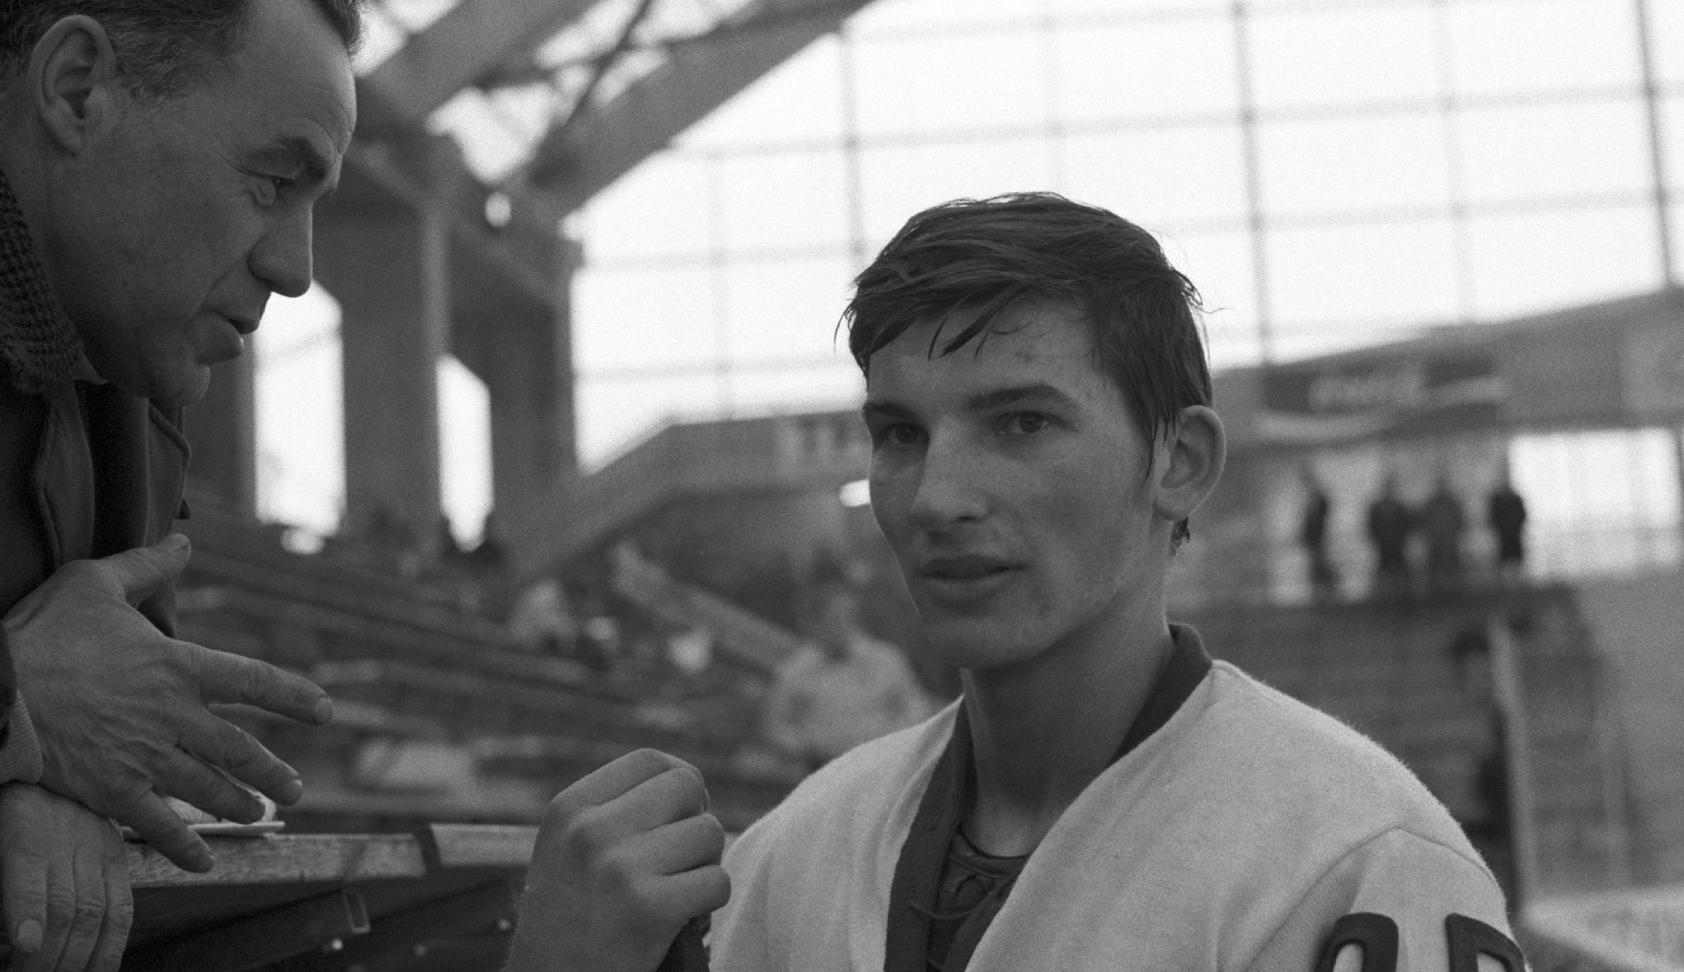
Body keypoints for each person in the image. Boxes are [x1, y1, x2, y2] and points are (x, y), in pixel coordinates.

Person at [506, 195, 1525, 972]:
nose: (936, 496)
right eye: (900, 434)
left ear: (1178, 463)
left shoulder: (1354, 863)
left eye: (1021, 423)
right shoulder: (791, 858)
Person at [0, 0, 361, 968]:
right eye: (271, 181)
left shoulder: (133, 377)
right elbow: (63, 714)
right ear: (77, 90)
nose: (296, 269)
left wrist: (54, 775)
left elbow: (105, 742)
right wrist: (20, 708)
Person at [762, 581, 936, 770]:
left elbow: (916, 706)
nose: (840, 627)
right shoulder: (796, 671)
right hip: (823, 767)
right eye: (831, 620)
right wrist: (804, 745)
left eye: (846, 619)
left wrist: (895, 738)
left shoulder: (886, 660)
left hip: (884, 763)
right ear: (813, 624)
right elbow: (776, 725)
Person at [1367, 471, 1413, 603]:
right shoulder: (1377, 508)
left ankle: (1401, 600)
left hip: (1397, 547)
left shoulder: (1400, 508)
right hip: (1383, 547)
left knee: (1399, 575)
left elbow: (1406, 527)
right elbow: (1372, 527)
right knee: (1384, 574)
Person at [1420, 470, 1467, 597]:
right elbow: (1425, 523)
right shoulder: (1431, 504)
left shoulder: (1452, 503)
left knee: (1452, 569)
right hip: (1436, 544)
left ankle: (1455, 594)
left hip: (1450, 543)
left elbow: (1459, 522)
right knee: (1435, 570)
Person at [1298, 464, 1338, 603]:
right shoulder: (1308, 500)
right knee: (1316, 565)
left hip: (1320, 539)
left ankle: (1327, 591)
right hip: (1313, 540)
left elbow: (1322, 518)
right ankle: (1320, 592)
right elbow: (1307, 523)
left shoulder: (1319, 498)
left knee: (1321, 563)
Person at [1487, 466, 1528, 586]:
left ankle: (1517, 585)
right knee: (1502, 562)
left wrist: (1514, 528)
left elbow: (1522, 516)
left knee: (1516, 563)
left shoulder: (1516, 499)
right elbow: (1493, 518)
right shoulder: (1497, 500)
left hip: (1514, 536)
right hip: (1503, 537)